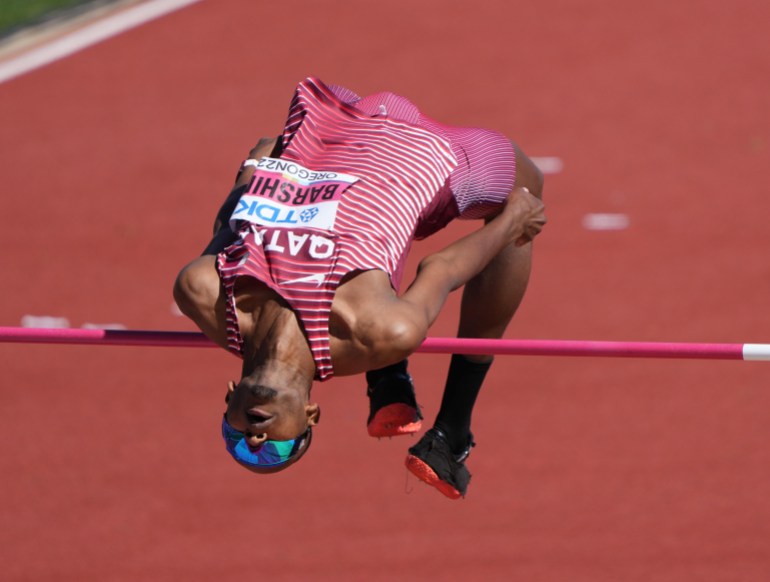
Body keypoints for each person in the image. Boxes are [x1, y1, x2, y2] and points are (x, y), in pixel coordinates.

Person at [173, 77, 545, 497]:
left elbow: (233, 224)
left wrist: (252, 171)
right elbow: (441, 267)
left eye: (237, 441)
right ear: (311, 414)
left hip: (329, 129)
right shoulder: (379, 330)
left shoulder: (204, 293)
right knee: (527, 187)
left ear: (228, 400)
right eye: (274, 451)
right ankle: (452, 430)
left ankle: (388, 378)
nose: (255, 441)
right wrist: (514, 221)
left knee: (362, 266)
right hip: (429, 155)